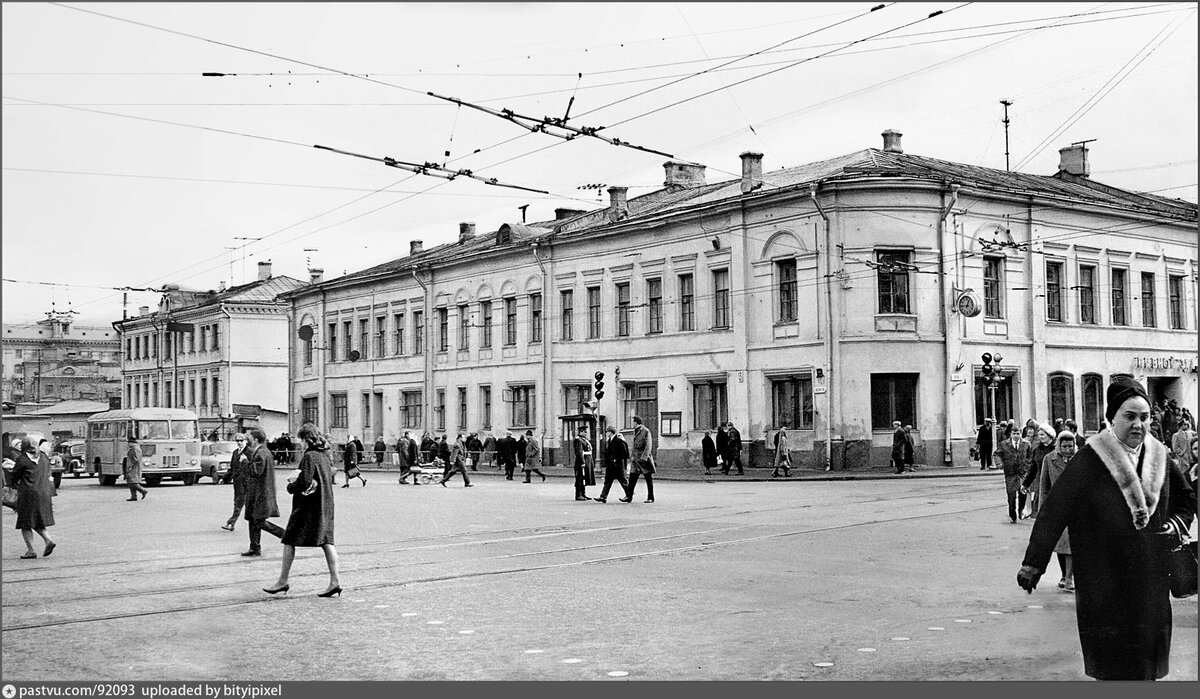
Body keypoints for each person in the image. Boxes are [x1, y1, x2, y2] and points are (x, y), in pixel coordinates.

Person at [1018, 376, 1195, 681]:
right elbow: (1054, 511)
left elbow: (1187, 500)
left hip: (1151, 578)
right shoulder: (1090, 459)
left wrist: (1174, 525)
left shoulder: (1160, 456)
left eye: (1145, 417)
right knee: (1113, 664)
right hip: (1104, 581)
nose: (1139, 424)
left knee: (1146, 667)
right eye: (1130, 416)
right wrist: (1034, 562)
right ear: (1112, 417)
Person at [263, 423, 342, 598]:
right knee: (327, 541)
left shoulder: (309, 456)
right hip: (325, 504)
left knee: (289, 538)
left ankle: (283, 581)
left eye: (301, 440)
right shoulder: (324, 455)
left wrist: (291, 485)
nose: (300, 444)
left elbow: (305, 481)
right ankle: (335, 581)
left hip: (308, 507)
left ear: (306, 439)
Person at [1038, 431, 1078, 592]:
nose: (1068, 449)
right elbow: (1044, 486)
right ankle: (1064, 575)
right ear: (1059, 446)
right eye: (1065, 446)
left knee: (1072, 543)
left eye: (1071, 446)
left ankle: (1069, 578)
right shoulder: (1049, 459)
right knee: (1061, 544)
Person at [242, 428, 285, 557]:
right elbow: (256, 463)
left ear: (255, 439)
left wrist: (244, 462)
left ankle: (285, 534)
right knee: (253, 520)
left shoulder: (261, 453)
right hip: (258, 493)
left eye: (251, 438)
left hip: (260, 493)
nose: (249, 440)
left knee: (259, 522)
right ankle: (254, 547)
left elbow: (256, 471)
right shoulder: (263, 451)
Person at [12, 437, 56, 559]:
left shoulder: (22, 459)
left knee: (25, 522)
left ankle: (31, 551)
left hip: (28, 494)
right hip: (44, 493)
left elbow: (15, 477)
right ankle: (48, 540)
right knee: (37, 519)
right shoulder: (44, 457)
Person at [996, 423, 1030, 523]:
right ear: (1011, 434)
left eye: (1018, 433)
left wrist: (1027, 467)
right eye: (1014, 433)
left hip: (1022, 473)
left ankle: (1021, 510)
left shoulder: (1026, 444)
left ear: (1020, 434)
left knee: (1022, 493)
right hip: (1010, 473)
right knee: (1011, 495)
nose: (1016, 436)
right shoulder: (1004, 444)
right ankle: (1012, 515)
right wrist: (1000, 464)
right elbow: (997, 454)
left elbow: (1030, 457)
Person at [1021, 423, 1056, 519]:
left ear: (1050, 435)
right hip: (1042, 484)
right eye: (1039, 435)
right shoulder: (1037, 450)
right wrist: (1025, 484)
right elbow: (1033, 469)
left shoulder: (1057, 449)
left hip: (1055, 483)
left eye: (1042, 435)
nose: (1040, 437)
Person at [221, 433, 251, 530]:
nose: (239, 443)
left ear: (246, 441)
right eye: (237, 441)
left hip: (246, 482)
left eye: (241, 441)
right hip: (237, 482)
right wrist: (224, 478)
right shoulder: (235, 453)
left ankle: (231, 523)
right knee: (238, 502)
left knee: (240, 503)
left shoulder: (250, 452)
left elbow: (254, 467)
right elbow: (232, 468)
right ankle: (232, 523)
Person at [595, 426, 630, 503]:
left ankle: (629, 495)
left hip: (617, 465)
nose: (606, 433)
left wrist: (616, 459)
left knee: (622, 480)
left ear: (611, 432)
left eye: (607, 431)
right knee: (608, 481)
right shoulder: (610, 440)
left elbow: (624, 453)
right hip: (611, 465)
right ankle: (603, 497)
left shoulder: (618, 440)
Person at [626, 416, 656, 503]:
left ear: (636, 422)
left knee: (648, 479)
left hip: (643, 460)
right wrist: (631, 457)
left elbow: (648, 445)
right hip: (635, 459)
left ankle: (650, 497)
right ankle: (629, 497)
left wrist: (644, 457)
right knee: (632, 478)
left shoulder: (645, 431)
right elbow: (634, 446)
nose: (632, 424)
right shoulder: (634, 431)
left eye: (632, 422)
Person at [123, 434, 149, 501]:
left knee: (133, 482)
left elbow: (136, 459)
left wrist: (131, 466)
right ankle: (133, 496)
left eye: (129, 442)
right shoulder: (134, 449)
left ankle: (143, 490)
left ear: (132, 443)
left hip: (134, 468)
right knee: (130, 482)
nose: (128, 444)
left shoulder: (135, 449)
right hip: (132, 467)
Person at [572, 427, 592, 501]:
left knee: (584, 477)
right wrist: (582, 462)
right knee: (580, 477)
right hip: (581, 461)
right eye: (585, 432)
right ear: (581, 432)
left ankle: (583, 493)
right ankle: (578, 495)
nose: (586, 433)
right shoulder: (578, 440)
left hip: (586, 459)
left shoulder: (583, 439)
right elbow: (579, 452)